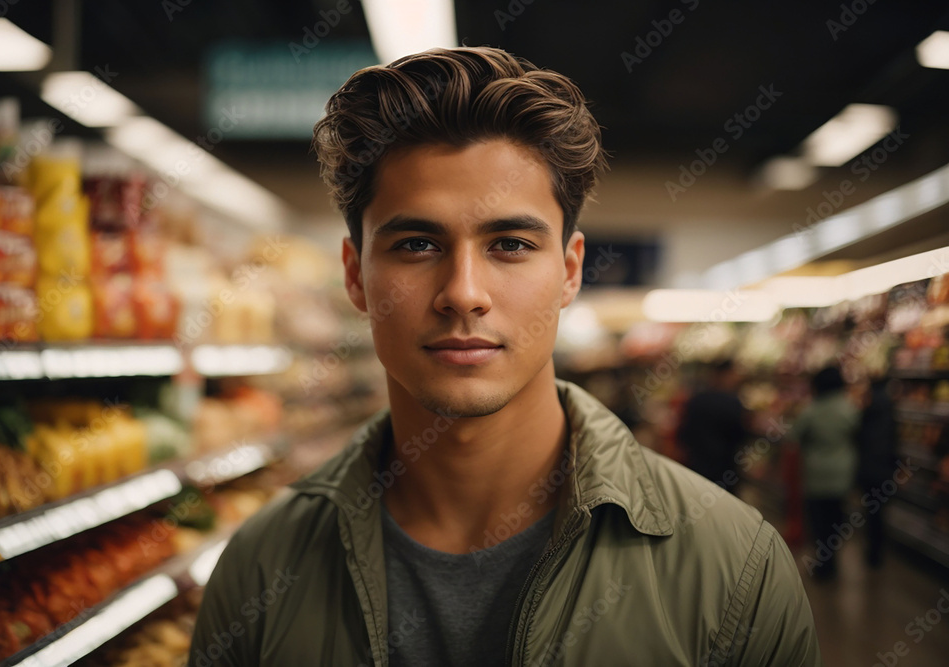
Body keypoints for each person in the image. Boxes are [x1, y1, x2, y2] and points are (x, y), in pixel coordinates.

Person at [188, 46, 820, 666]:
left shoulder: (737, 572)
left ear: (569, 271)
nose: (464, 292)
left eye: (511, 244)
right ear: (356, 276)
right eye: (414, 244)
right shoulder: (259, 570)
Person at [792, 365, 860, 581]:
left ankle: (822, 563)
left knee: (818, 522)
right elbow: (859, 438)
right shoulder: (850, 409)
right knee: (836, 520)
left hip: (816, 473)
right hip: (842, 473)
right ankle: (833, 561)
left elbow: (793, 438)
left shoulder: (811, 410)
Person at [677, 359, 749, 492]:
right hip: (724, 469)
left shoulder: (696, 400)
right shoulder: (732, 403)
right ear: (724, 375)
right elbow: (740, 435)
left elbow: (683, 433)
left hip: (697, 466)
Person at [856, 376, 898, 567]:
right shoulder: (890, 410)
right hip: (883, 470)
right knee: (879, 511)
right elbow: (893, 444)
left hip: (868, 468)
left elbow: (860, 439)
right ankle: (877, 552)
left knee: (872, 511)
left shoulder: (868, 410)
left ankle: (872, 552)